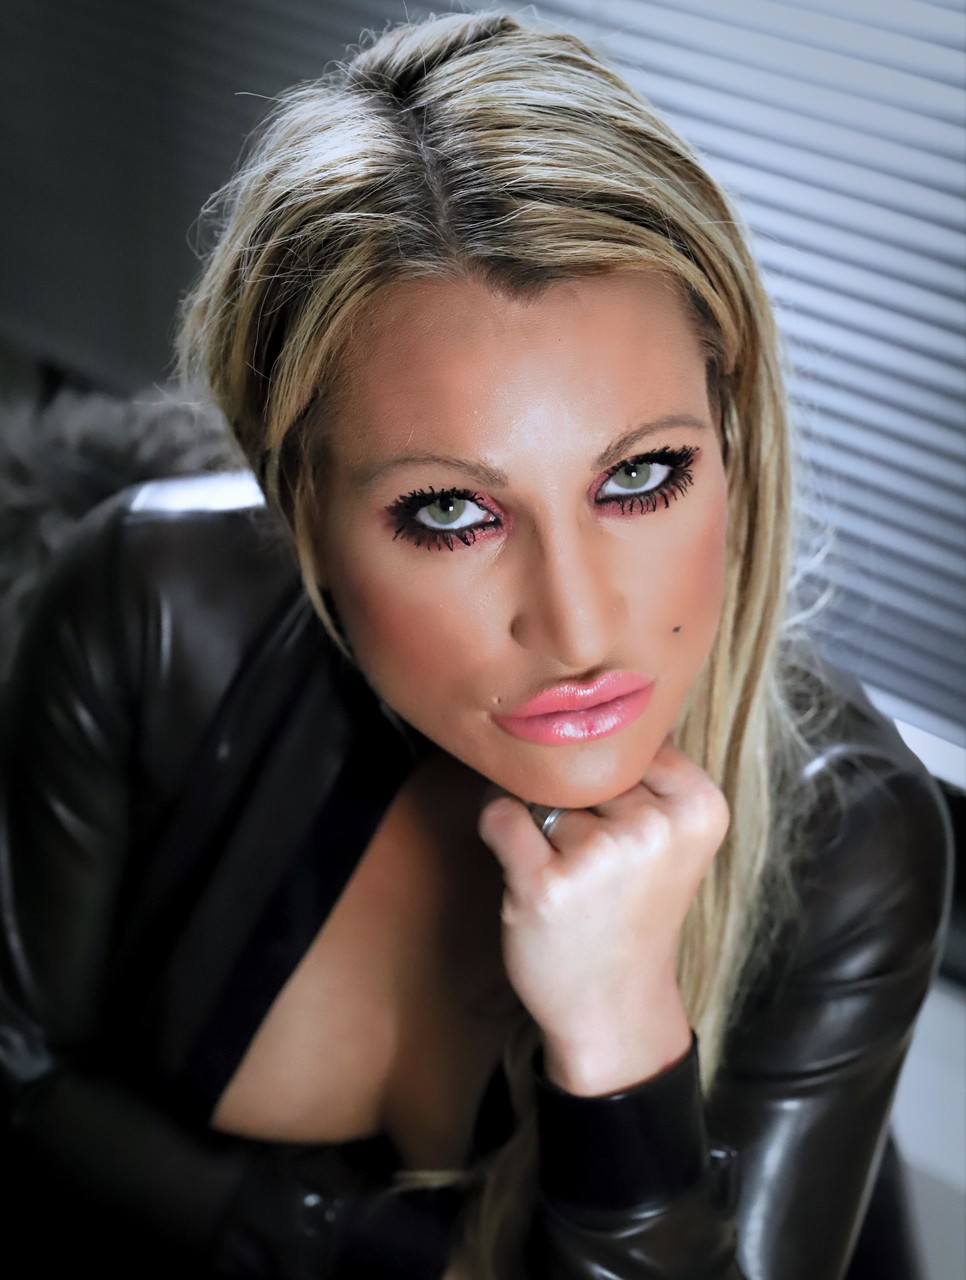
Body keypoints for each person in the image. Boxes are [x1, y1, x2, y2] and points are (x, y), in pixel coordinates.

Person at [0, 11, 952, 1279]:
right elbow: (20, 1072)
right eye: (452, 511)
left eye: (642, 475)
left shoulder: (850, 835)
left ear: (729, 438)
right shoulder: (145, 615)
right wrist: (342, 1242)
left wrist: (620, 1034)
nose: (580, 628)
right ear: (302, 504)